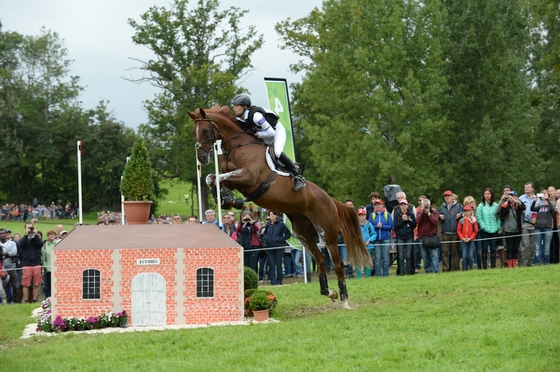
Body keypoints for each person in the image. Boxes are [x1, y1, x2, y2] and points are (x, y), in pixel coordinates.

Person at [232, 94, 306, 191]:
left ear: (245, 107)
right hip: (264, 133)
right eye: (234, 106)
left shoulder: (256, 116)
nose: (234, 108)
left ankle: (298, 176)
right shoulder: (239, 118)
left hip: (276, 131)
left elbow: (271, 133)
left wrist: (257, 134)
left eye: (237, 106)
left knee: (277, 152)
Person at [261, 210, 291, 285]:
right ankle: (273, 281)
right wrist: (265, 238)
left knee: (278, 264)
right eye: (271, 214)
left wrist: (280, 239)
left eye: (274, 214)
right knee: (271, 264)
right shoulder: (268, 224)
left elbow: (288, 234)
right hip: (269, 247)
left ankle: (279, 281)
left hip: (278, 247)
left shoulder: (281, 224)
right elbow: (265, 233)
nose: (272, 216)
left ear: (276, 215)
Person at [476, 188, 502, 269]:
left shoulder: (496, 205)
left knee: (493, 248)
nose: (487, 195)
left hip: (494, 230)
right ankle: (484, 266)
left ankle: (493, 266)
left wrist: (498, 226)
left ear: (491, 195)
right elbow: (479, 217)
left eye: (488, 194)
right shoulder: (481, 206)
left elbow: (499, 217)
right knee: (484, 249)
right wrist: (483, 226)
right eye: (485, 194)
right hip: (484, 230)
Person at [438, 190, 463, 272]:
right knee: (445, 252)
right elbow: (437, 216)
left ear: (452, 197)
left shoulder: (459, 206)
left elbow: (465, 213)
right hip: (445, 232)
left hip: (455, 232)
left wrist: (461, 214)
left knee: (455, 252)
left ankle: (455, 269)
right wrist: (439, 216)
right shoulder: (442, 207)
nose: (447, 197)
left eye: (449, 196)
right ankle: (445, 269)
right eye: (446, 196)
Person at [18, 222, 43, 303]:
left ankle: (35, 300)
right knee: (25, 284)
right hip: (26, 264)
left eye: (31, 228)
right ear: (25, 228)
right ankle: (26, 300)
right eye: (28, 228)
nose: (30, 229)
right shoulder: (24, 239)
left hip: (36, 263)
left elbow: (41, 244)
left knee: (36, 283)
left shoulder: (36, 238)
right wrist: (26, 235)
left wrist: (35, 235)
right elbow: (20, 245)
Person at [499, 191, 524, 268]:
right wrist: (501, 200)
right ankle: (510, 266)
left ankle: (514, 265)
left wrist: (515, 201)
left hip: (518, 230)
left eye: (513, 196)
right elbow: (498, 211)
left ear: (516, 197)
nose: (511, 198)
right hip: (508, 231)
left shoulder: (518, 205)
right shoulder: (505, 206)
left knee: (516, 248)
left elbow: (523, 206)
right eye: (509, 196)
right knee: (509, 248)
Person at [531, 190, 555, 266]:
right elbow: (532, 209)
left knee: (546, 248)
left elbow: (553, 209)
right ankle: (537, 263)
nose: (544, 196)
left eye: (545, 194)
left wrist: (547, 199)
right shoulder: (540, 206)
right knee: (537, 248)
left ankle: (547, 263)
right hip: (538, 228)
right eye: (542, 194)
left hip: (548, 228)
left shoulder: (550, 205)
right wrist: (534, 201)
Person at [370, 199, 393, 277]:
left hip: (385, 239)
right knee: (377, 258)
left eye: (379, 204)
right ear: (374, 206)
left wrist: (382, 226)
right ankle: (378, 274)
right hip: (376, 240)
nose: (378, 206)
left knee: (385, 258)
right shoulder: (372, 215)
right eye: (376, 205)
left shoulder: (387, 214)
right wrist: (377, 226)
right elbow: (370, 227)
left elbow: (390, 226)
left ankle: (386, 274)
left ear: (382, 205)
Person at [393, 199, 416, 275]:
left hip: (409, 236)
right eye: (401, 205)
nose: (403, 207)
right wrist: (403, 221)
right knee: (401, 255)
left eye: (404, 205)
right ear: (400, 206)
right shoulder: (397, 214)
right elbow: (396, 226)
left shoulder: (411, 214)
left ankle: (409, 271)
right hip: (400, 237)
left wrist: (408, 220)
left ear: (407, 205)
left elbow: (414, 225)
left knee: (409, 255)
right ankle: (401, 271)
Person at [416, 198, 440, 273]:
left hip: (432, 236)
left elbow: (435, 222)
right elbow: (417, 221)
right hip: (422, 237)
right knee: (425, 256)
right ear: (421, 205)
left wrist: (429, 214)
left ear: (429, 205)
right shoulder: (419, 212)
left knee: (434, 255)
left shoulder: (434, 212)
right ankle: (428, 271)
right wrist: (423, 213)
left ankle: (435, 270)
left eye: (427, 205)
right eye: (424, 205)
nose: (426, 206)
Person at [518, 182, 536, 267]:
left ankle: (530, 263)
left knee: (532, 245)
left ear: (532, 189)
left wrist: (535, 221)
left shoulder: (537, 198)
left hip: (534, 224)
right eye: (525, 187)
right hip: (524, 223)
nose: (527, 188)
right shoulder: (521, 198)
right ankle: (523, 263)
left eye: (528, 187)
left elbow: (537, 211)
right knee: (525, 244)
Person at [457, 205, 478, 271]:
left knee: (471, 255)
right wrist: (462, 238)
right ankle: (464, 268)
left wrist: (471, 238)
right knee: (464, 255)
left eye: (468, 211)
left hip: (471, 240)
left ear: (471, 211)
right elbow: (458, 230)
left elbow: (475, 230)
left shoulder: (473, 220)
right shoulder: (461, 221)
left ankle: (470, 267)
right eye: (465, 211)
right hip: (463, 240)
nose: (467, 213)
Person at [356, 208, 376, 278]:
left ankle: (368, 276)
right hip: (358, 247)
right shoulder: (356, 226)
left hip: (368, 246)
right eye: (359, 215)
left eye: (362, 215)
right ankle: (359, 277)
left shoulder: (369, 225)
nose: (361, 217)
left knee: (367, 262)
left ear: (365, 216)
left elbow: (374, 234)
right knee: (358, 262)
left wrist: (369, 240)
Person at [0, 228, 18, 303]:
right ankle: (6, 301)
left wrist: (4, 254)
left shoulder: (12, 243)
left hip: (11, 267)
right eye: (1, 234)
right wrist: (8, 254)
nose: (3, 235)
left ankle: (15, 301)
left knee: (15, 285)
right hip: (2, 269)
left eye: (4, 233)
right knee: (4, 287)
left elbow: (14, 252)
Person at [463, 196, 480, 269]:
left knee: (478, 251)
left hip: (477, 233)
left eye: (472, 202)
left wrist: (474, 210)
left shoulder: (478, 210)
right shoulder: (463, 214)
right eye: (469, 203)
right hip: (466, 236)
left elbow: (479, 221)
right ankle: (466, 267)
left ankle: (479, 266)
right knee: (467, 253)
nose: (471, 204)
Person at [41, 229, 58, 298]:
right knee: (49, 286)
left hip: (57, 269)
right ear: (48, 236)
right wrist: (47, 267)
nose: (51, 236)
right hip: (48, 270)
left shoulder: (58, 244)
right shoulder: (45, 246)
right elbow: (43, 259)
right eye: (50, 235)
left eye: (53, 234)